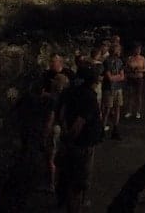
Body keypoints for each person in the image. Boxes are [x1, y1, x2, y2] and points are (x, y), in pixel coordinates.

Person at [58, 66, 103, 213]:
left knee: (70, 177)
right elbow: (80, 122)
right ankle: (75, 207)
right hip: (82, 144)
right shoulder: (88, 97)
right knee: (78, 181)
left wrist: (65, 134)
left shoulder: (70, 92)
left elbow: (62, 113)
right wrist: (71, 137)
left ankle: (71, 202)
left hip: (74, 142)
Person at [41, 73, 69, 192]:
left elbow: (51, 118)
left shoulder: (53, 100)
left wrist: (45, 134)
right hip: (61, 128)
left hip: (54, 128)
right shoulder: (64, 97)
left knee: (51, 158)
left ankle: (51, 184)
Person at [102, 43, 125, 139]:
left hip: (118, 88)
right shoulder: (107, 62)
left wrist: (115, 77)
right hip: (109, 89)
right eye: (118, 50)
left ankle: (115, 129)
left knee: (117, 108)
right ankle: (102, 129)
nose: (120, 52)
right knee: (107, 109)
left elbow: (122, 76)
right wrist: (117, 77)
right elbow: (109, 78)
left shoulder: (120, 61)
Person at [124, 43, 145, 120]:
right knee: (130, 94)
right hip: (131, 78)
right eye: (137, 49)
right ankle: (129, 111)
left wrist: (138, 70)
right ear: (134, 50)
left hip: (139, 78)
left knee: (138, 95)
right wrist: (131, 70)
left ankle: (138, 112)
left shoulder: (142, 58)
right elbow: (126, 68)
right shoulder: (130, 58)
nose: (138, 51)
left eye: (139, 49)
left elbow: (144, 69)